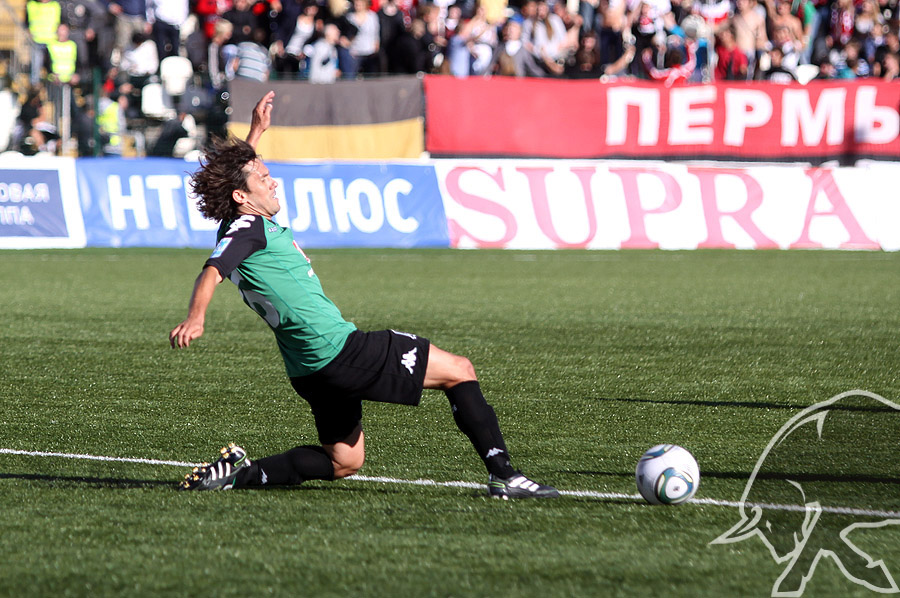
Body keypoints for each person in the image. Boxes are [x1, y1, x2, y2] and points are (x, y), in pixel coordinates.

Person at [170, 92, 558, 500]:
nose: (273, 182)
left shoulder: (236, 224)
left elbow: (238, 180)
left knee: (344, 461)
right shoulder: (249, 229)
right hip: (339, 350)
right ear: (242, 197)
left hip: (309, 368)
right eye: (264, 179)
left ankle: (238, 475)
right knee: (459, 370)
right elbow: (212, 271)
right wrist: (196, 317)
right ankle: (505, 475)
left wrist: (256, 133)